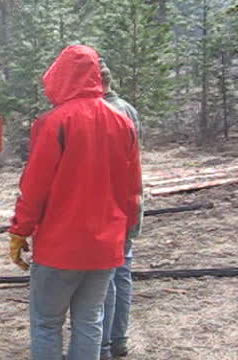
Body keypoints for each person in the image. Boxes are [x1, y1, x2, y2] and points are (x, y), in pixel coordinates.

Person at [8, 45, 142, 360]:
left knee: (47, 323)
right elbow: (132, 191)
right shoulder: (122, 121)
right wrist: (126, 236)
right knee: (89, 321)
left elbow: (34, 186)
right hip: (105, 247)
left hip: (60, 247)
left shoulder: (54, 122)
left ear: (61, 76)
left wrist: (19, 231)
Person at [99, 60, 143, 360]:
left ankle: (100, 347)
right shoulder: (129, 110)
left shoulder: (101, 113)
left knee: (104, 279)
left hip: (108, 204)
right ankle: (118, 341)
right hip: (130, 201)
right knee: (121, 273)